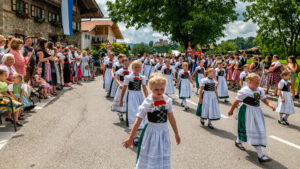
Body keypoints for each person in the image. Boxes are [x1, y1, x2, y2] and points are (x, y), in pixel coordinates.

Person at [122, 73, 180, 169]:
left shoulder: (167, 100)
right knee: (151, 155)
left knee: (162, 154)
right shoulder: (148, 102)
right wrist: (131, 138)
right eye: (156, 89)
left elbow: (171, 117)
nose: (159, 91)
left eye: (162, 89)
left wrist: (176, 133)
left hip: (163, 132)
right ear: (151, 88)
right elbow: (138, 121)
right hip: (152, 132)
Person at [228, 73, 275, 163]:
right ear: (249, 82)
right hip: (246, 111)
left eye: (258, 82)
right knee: (252, 130)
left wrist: (271, 105)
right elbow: (235, 102)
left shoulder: (260, 90)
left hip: (257, 111)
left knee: (253, 129)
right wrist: (231, 111)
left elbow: (264, 99)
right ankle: (261, 155)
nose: (258, 84)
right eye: (256, 83)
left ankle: (238, 141)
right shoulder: (244, 91)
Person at [120, 60, 148, 145]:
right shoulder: (128, 77)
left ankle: (138, 133)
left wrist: (148, 98)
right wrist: (121, 99)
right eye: (135, 67)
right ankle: (135, 137)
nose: (137, 68)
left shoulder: (142, 77)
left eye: (139, 67)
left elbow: (144, 88)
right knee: (133, 114)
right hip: (131, 96)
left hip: (139, 96)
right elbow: (124, 88)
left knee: (140, 113)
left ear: (141, 68)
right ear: (131, 68)